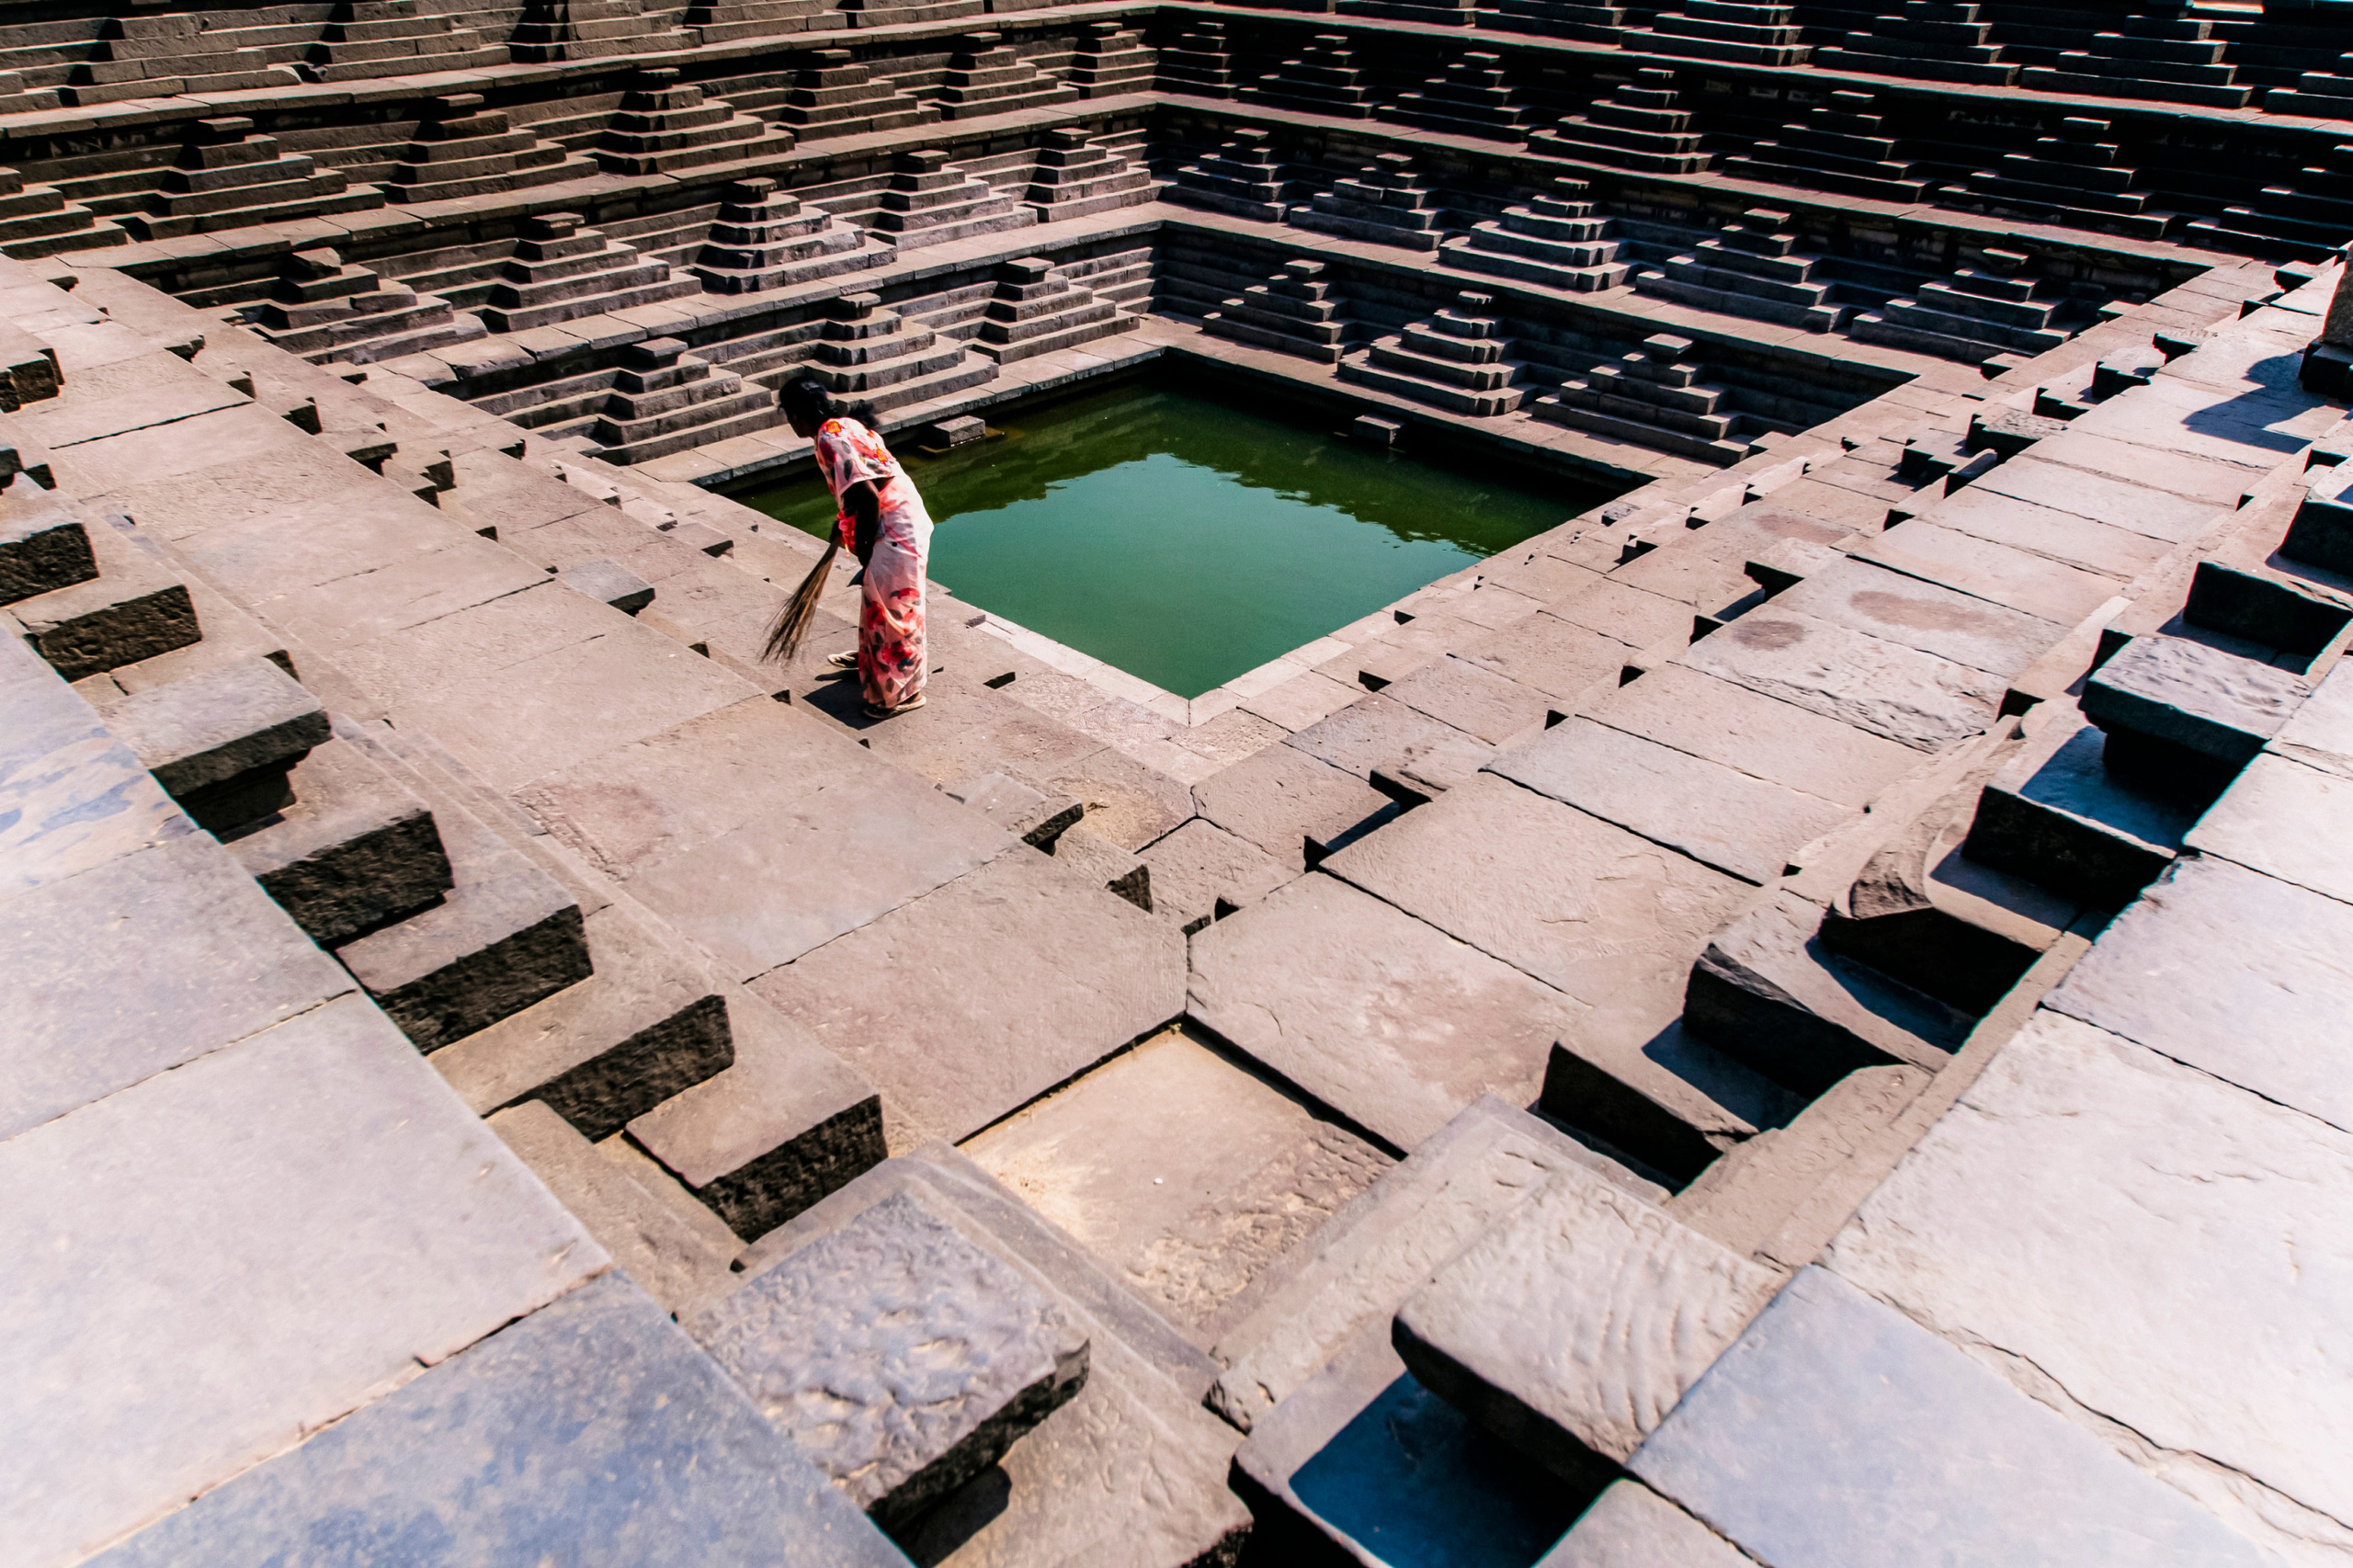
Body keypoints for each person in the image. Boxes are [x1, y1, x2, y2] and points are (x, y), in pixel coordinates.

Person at [778, 375, 931, 716]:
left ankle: (903, 693)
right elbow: (865, 481)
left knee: (895, 611)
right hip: (901, 513)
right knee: (881, 603)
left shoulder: (829, 438)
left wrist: (864, 549)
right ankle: (872, 660)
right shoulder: (841, 425)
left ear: (795, 415)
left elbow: (869, 496)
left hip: (895, 524)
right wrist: (844, 522)